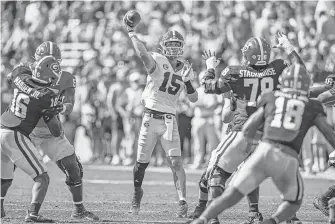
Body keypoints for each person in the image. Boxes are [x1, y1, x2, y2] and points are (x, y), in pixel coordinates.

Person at [191, 63, 335, 224]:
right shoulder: (312, 106)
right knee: (293, 201)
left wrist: (248, 145)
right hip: (287, 156)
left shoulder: (271, 97)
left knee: (234, 192)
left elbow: (250, 127)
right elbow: (329, 134)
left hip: (264, 149)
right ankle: (274, 220)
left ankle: (204, 219)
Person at [190, 33, 305, 224]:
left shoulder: (234, 72)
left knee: (218, 173)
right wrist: (288, 46)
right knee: (278, 174)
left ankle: (211, 217)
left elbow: (209, 86)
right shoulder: (278, 67)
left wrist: (210, 66)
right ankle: (289, 215)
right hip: (270, 134)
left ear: (248, 55)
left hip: (243, 130)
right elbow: (299, 68)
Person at [8, 41, 99, 221]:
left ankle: (78, 209)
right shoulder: (25, 71)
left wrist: (61, 108)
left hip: (51, 130)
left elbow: (69, 103)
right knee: (7, 166)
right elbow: (12, 79)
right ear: (37, 60)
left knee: (73, 167)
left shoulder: (65, 77)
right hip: (27, 128)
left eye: (53, 60)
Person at [123, 10, 198, 217]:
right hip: (150, 117)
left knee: (176, 162)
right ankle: (137, 193)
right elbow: (142, 54)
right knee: (141, 164)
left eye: (177, 45)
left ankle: (182, 202)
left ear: (182, 48)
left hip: (169, 120)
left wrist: (189, 81)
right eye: (170, 44)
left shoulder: (186, 69)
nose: (174, 48)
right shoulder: (157, 59)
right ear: (163, 46)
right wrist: (131, 33)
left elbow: (193, 99)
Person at [1, 56, 62, 222]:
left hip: (1, 128)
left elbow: (9, 77)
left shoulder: (20, 75)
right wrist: (55, 112)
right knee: (42, 178)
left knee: (4, 179)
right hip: (15, 134)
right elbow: (56, 131)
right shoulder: (47, 96)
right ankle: (33, 213)